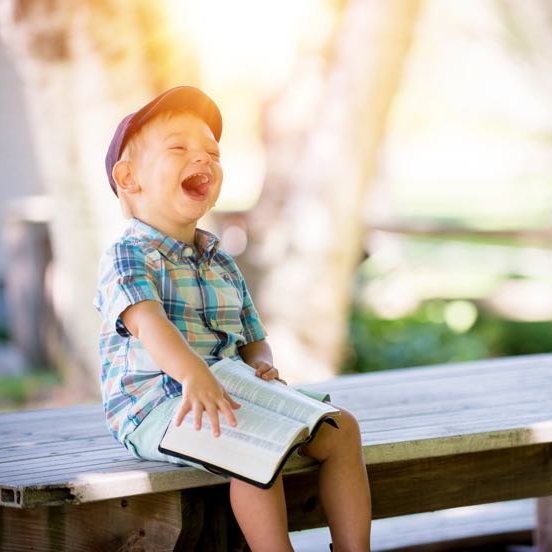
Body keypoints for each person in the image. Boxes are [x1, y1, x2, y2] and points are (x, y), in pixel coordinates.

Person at [94, 86, 371, 551]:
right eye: (179, 147)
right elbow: (148, 323)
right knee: (253, 448)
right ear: (128, 178)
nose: (202, 159)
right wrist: (194, 374)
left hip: (229, 388)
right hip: (157, 404)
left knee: (342, 429)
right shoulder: (129, 254)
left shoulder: (219, 259)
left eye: (212, 152)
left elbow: (251, 336)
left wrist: (261, 362)